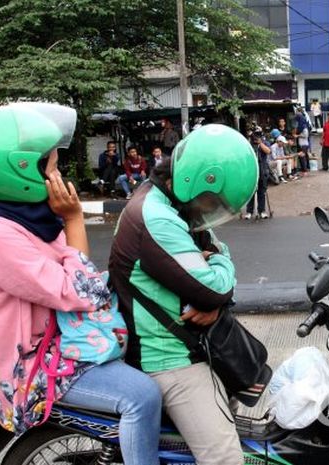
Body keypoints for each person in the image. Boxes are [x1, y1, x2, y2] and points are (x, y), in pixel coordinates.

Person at [0, 102, 161, 464]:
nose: (60, 177)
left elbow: (81, 272)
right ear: (21, 171)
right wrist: (73, 218)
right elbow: (82, 291)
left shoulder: (32, 220)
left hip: (63, 343)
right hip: (30, 367)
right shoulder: (2, 236)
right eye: (52, 167)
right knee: (141, 397)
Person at [109, 124, 258, 465]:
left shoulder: (170, 201)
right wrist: (221, 266)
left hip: (183, 346)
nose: (209, 210)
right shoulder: (157, 217)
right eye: (212, 201)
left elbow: (215, 256)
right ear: (197, 179)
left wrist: (218, 270)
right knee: (226, 459)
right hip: (168, 360)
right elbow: (212, 288)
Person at [245, 129, 271, 220]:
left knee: (261, 192)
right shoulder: (249, 144)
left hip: (262, 170)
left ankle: (262, 211)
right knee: (251, 192)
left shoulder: (264, 142)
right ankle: (249, 212)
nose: (256, 137)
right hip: (251, 171)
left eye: (258, 135)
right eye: (255, 136)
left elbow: (268, 151)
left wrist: (260, 143)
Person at [294, 107, 311, 174]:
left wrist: (297, 135)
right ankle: (307, 168)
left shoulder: (303, 127)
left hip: (303, 144)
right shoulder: (303, 125)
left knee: (302, 156)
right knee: (305, 156)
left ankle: (304, 169)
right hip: (304, 144)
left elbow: (306, 135)